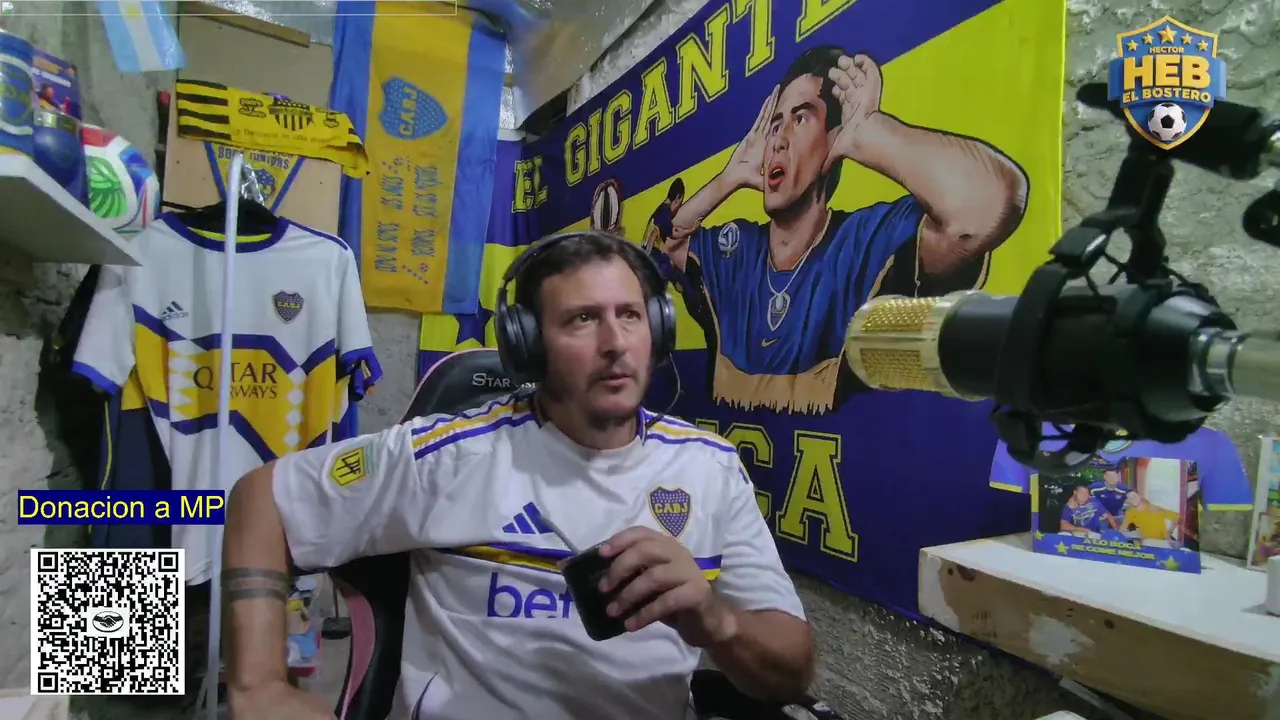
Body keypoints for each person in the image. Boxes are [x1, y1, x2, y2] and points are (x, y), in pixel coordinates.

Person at [221, 231, 814, 720]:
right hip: (163, 532)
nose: (615, 343)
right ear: (527, 345)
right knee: (163, 673)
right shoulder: (449, 456)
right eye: (583, 319)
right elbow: (260, 496)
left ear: (657, 329)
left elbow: (791, 671)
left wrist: (716, 622)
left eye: (630, 315)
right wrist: (258, 686)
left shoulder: (710, 468)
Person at [663, 46, 1029, 414]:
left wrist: (869, 132)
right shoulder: (736, 250)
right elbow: (663, 246)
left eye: (800, 119)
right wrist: (729, 178)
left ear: (834, 140)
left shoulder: (865, 240)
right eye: (775, 126)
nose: (779, 139)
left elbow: (986, 208)